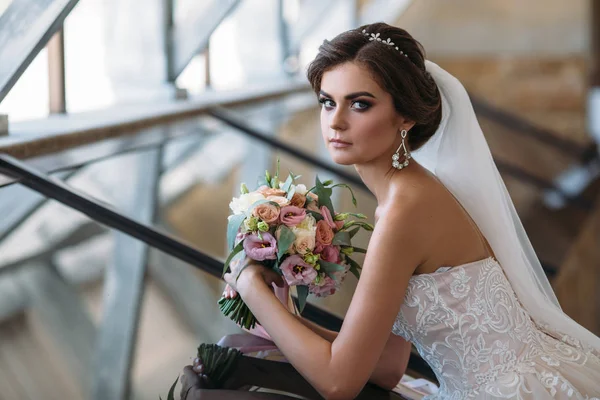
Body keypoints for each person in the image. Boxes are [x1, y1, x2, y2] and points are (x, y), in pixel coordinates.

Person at [180, 22, 600, 399]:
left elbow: (338, 382)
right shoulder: (406, 196)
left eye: (360, 104)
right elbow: (386, 365)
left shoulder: (406, 211)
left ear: (404, 118)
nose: (336, 122)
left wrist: (248, 283)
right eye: (328, 102)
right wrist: (284, 316)